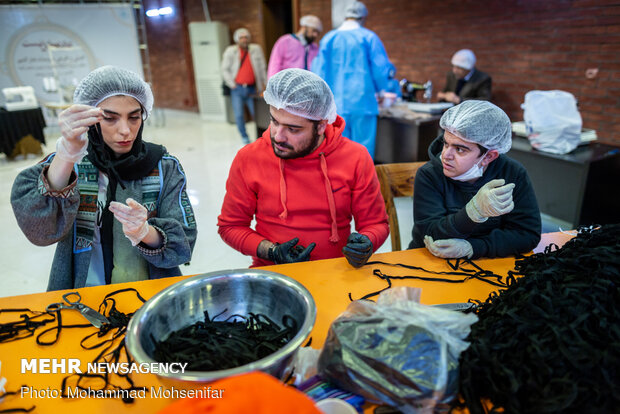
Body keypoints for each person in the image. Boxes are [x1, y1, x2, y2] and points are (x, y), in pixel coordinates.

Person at [11, 66, 197, 291]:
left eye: (134, 117)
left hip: (149, 293)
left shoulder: (163, 166)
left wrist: (144, 232)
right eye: (110, 118)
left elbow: (184, 240)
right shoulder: (71, 163)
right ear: (89, 118)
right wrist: (68, 153)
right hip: (82, 293)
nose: (125, 130)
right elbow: (39, 228)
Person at [217, 68, 389, 268]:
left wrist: (367, 242)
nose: (278, 136)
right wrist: (272, 251)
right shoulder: (249, 158)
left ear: (321, 126)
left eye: (293, 129)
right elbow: (231, 226)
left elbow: (376, 224)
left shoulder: (355, 157)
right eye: (274, 121)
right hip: (273, 271)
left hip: (335, 270)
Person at [409, 100, 541, 259]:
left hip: (488, 262)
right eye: (446, 143)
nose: (446, 155)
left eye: (459, 149)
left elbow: (527, 234)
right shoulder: (429, 174)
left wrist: (473, 247)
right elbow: (431, 236)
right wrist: (472, 212)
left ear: (489, 156)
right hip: (429, 260)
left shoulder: (512, 174)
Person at [311, 0, 393, 158]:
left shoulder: (329, 38)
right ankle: (362, 182)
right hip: (363, 104)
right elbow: (380, 68)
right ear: (363, 18)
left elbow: (318, 72)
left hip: (334, 106)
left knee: (338, 151)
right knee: (362, 151)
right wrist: (383, 91)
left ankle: (339, 182)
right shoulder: (368, 38)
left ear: (345, 16)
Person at [221, 28, 267, 144]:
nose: (244, 40)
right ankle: (244, 137)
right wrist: (232, 85)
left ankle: (261, 137)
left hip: (253, 89)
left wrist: (266, 85)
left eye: (246, 37)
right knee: (239, 115)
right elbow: (224, 69)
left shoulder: (256, 50)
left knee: (258, 114)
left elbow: (262, 69)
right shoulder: (231, 51)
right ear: (237, 40)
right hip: (237, 89)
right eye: (241, 38)